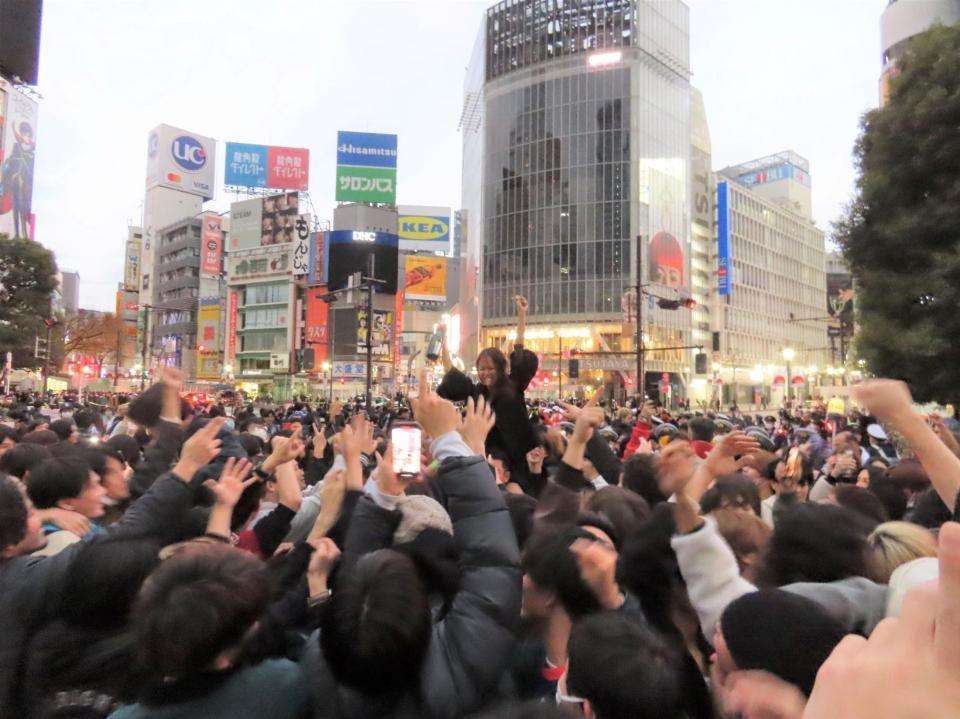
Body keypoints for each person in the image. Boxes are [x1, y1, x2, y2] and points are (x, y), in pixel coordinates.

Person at [436, 295, 539, 493]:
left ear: (500, 368)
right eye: (481, 369)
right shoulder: (478, 393)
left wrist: (522, 314)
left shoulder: (514, 384)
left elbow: (519, 349)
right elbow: (451, 372)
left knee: (518, 494)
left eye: (490, 368)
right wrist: (443, 340)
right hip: (492, 458)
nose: (485, 373)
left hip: (519, 457)